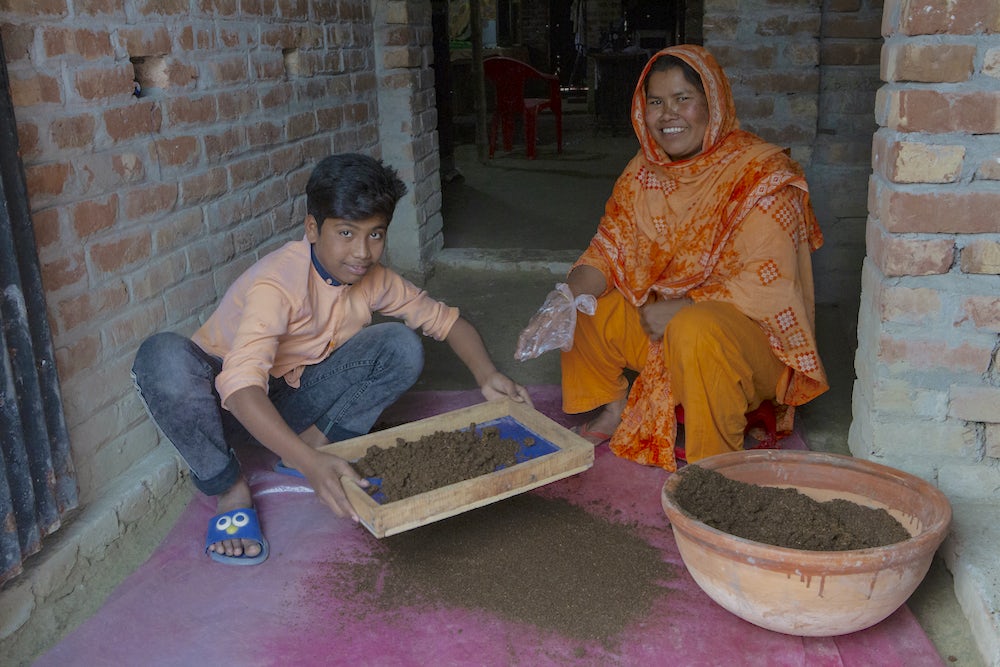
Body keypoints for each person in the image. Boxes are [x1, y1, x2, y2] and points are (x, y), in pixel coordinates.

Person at [132, 153, 532, 565]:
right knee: (161, 357)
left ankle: (309, 446)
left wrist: (488, 375)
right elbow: (239, 387)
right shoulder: (278, 283)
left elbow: (448, 323)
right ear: (312, 228)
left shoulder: (373, 278)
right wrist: (312, 467)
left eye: (375, 235)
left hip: (288, 393)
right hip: (224, 405)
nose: (361, 252)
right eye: (345, 232)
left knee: (400, 344)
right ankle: (231, 489)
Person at [515, 44, 828, 470]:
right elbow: (608, 247)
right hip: (666, 329)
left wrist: (685, 306)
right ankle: (613, 406)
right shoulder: (643, 172)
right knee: (586, 304)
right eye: (656, 102)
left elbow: (768, 281)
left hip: (749, 345)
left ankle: (713, 470)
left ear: (713, 102)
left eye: (683, 99)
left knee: (696, 328)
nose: (668, 114)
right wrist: (564, 298)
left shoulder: (763, 176)